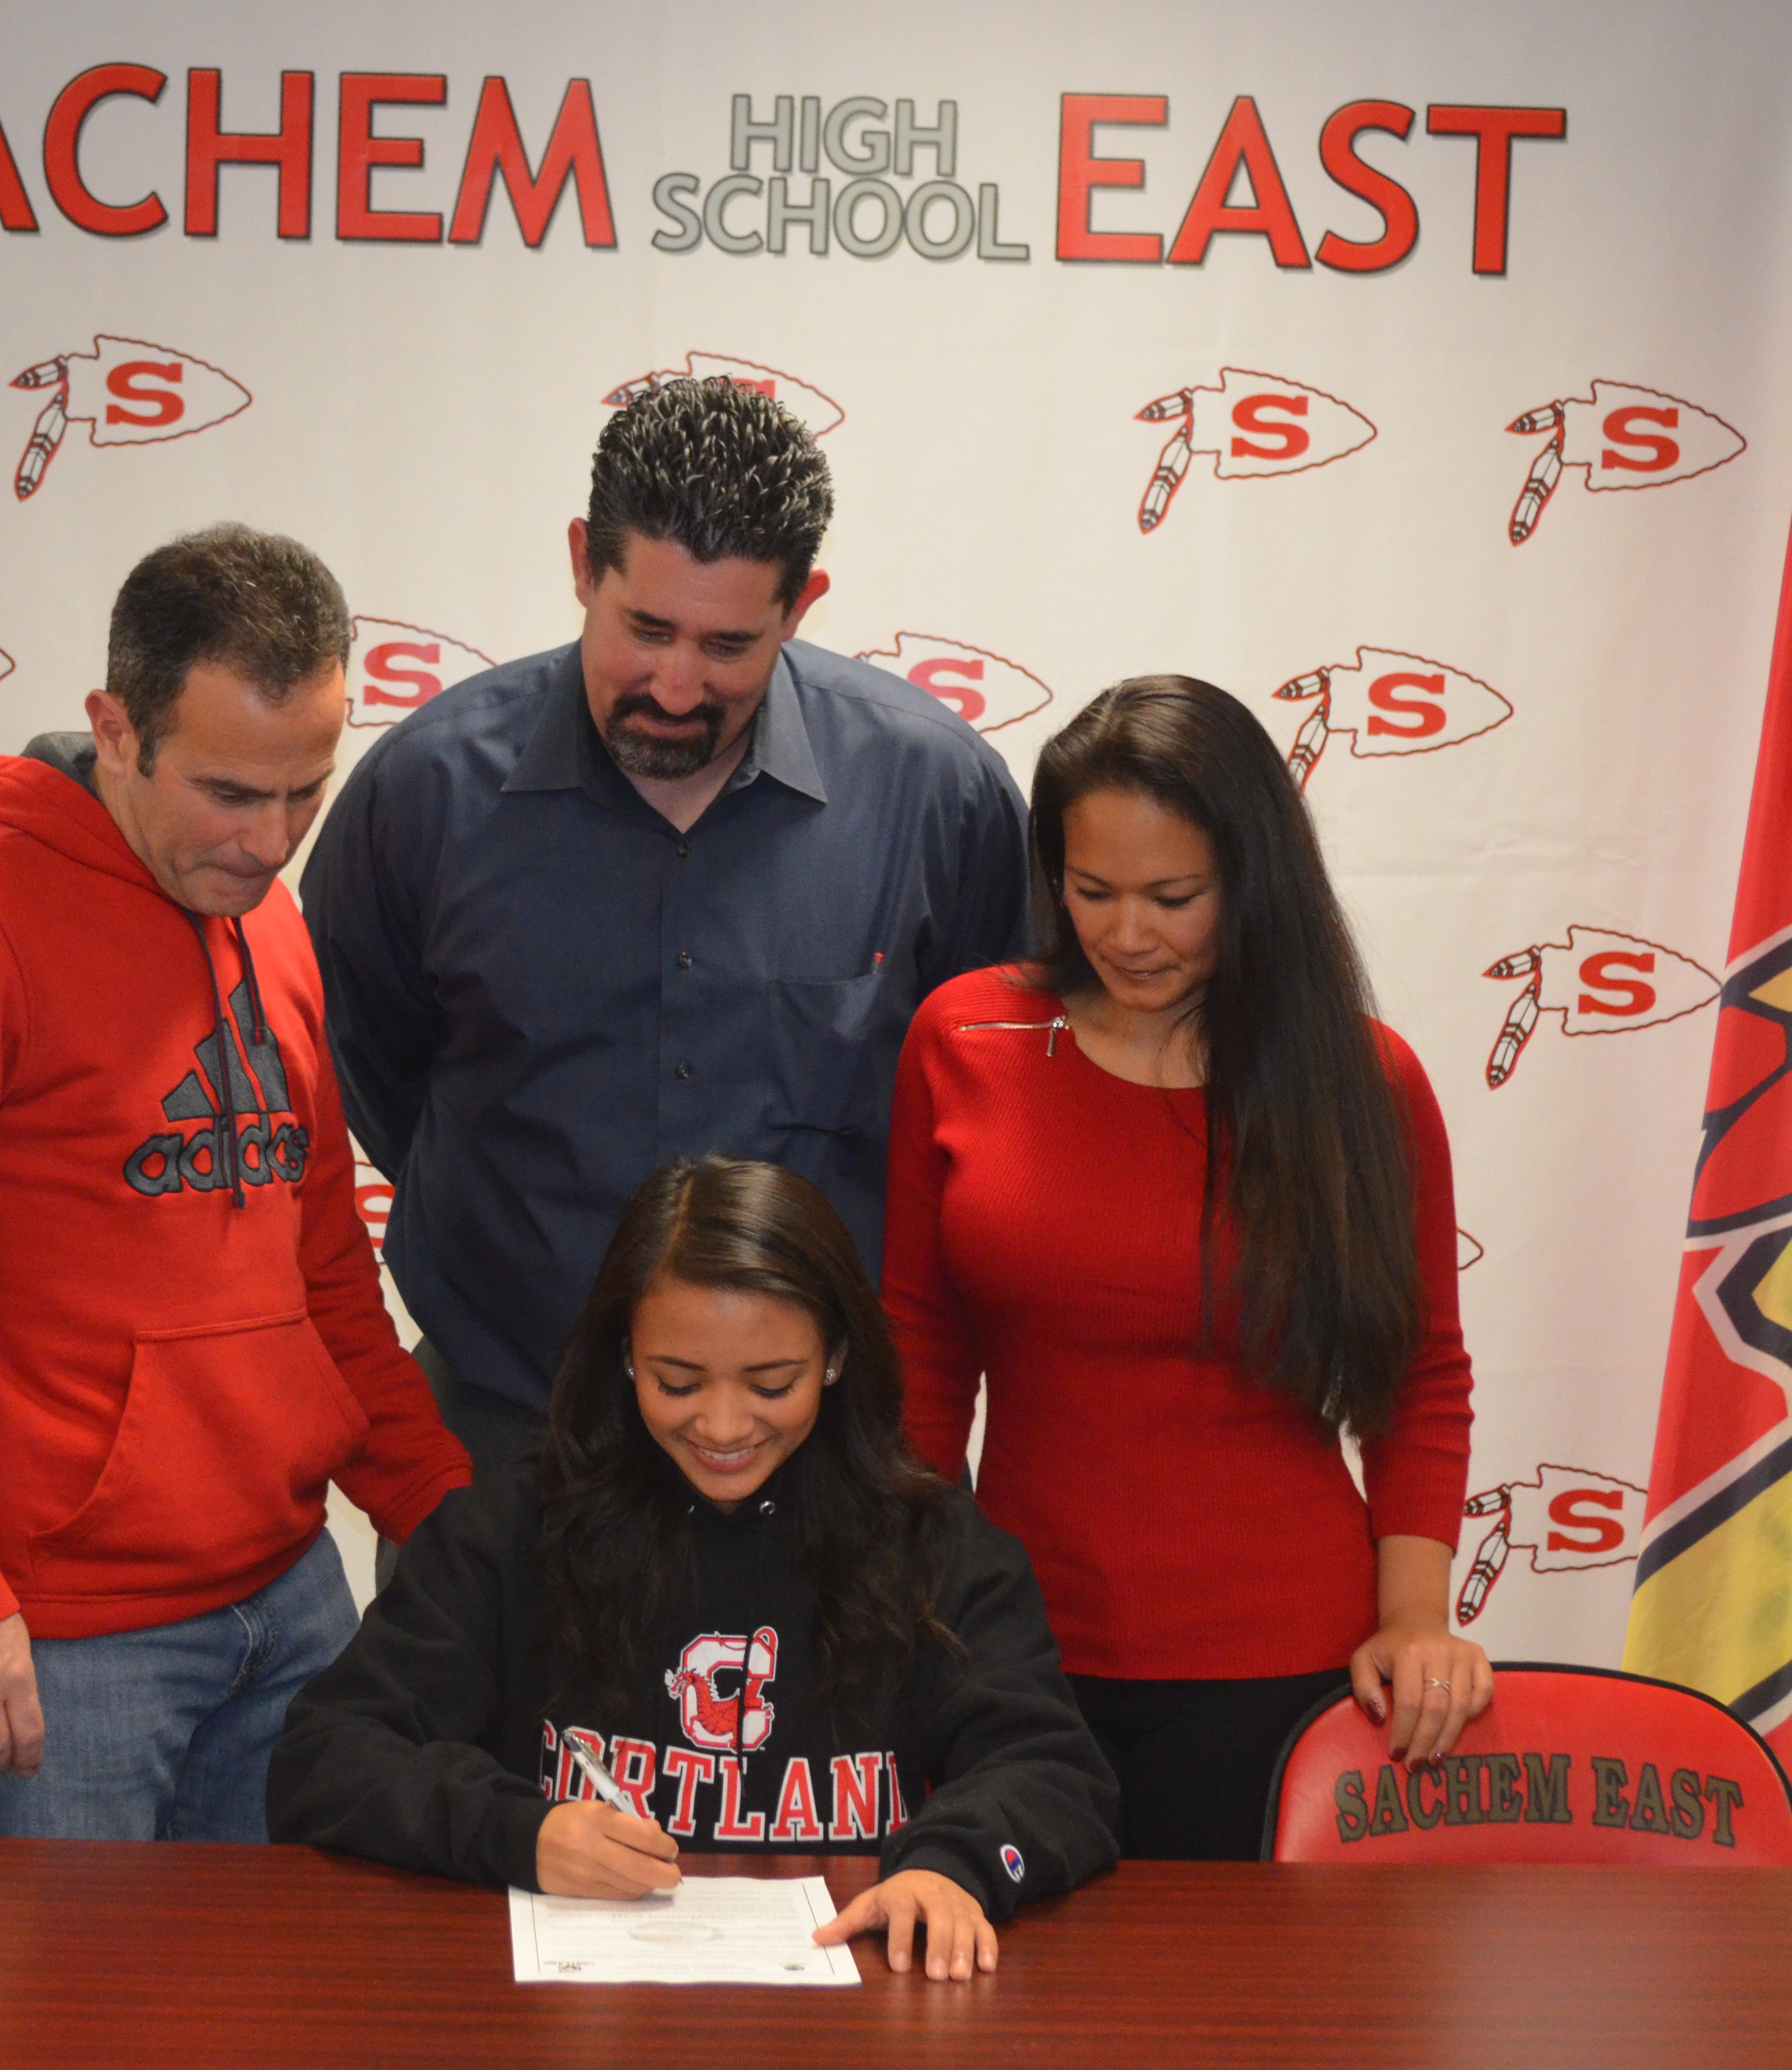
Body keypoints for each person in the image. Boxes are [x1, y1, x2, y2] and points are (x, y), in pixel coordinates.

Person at [0, 525, 471, 1840]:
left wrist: (437, 1503)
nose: (270, 841)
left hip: (293, 1598)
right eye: (227, 792)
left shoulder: (267, 918)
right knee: (59, 1990)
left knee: (298, 1980)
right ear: (116, 729)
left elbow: (321, 1269)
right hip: (58, 1643)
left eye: (304, 792)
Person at [299, 377, 1032, 1480]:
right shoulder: (424, 793)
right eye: (645, 630)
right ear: (581, 563)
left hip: (827, 1458)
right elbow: (369, 1067)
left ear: (801, 604)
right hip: (508, 1439)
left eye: (728, 645)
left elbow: (990, 1105)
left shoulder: (936, 798)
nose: (678, 687)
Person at [883, 675, 1491, 1863]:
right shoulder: (965, 1038)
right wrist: (909, 1592)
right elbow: (922, 1347)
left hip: (1288, 1669)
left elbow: (1418, 1373)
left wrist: (1416, 1618)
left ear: (1253, 880)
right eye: (1091, 890)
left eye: (1173, 897)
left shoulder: (1361, 1081)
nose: (1127, 935)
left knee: (1246, 1989)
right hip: (1012, 1652)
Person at [270, 1157, 1117, 1981]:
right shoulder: (511, 1532)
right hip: (573, 2022)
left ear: (834, 1357)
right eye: (677, 1383)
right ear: (625, 1356)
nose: (722, 1426)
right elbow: (327, 1756)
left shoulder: (931, 1546)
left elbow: (1055, 1772)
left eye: (771, 1384)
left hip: (851, 2013)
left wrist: (955, 1864)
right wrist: (516, 1833)